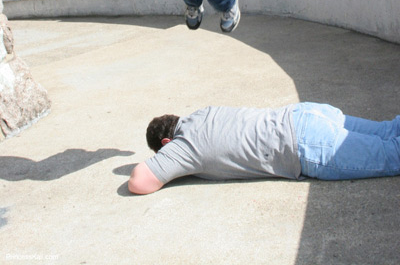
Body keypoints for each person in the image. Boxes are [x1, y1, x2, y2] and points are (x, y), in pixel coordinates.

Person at [127, 102, 400, 194]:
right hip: (307, 113)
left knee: (393, 155)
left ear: (166, 144)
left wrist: (166, 160)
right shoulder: (202, 114)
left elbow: (140, 182)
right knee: (389, 130)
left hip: (305, 145)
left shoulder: (184, 146)